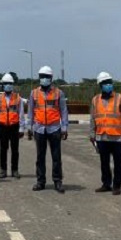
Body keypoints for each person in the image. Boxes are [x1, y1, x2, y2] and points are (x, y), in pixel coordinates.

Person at [27, 66, 69, 194]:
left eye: (46, 77)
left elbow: (63, 111)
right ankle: (41, 181)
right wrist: (29, 127)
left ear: (51, 78)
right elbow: (30, 112)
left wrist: (64, 128)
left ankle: (57, 181)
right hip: (39, 128)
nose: (44, 79)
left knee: (56, 156)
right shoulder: (34, 93)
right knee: (40, 157)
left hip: (54, 128)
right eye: (42, 76)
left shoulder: (58, 93)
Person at [90, 72, 121, 196]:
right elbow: (92, 118)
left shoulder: (120, 98)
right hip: (102, 136)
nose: (108, 85)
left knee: (118, 163)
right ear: (100, 85)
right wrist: (92, 133)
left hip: (117, 136)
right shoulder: (95, 100)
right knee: (104, 162)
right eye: (105, 83)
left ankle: (117, 186)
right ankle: (106, 184)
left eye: (110, 82)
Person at [0, 73, 25, 179]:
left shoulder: (18, 98)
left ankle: (15, 170)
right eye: (6, 83)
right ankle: (3, 170)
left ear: (13, 85)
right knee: (3, 149)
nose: (8, 85)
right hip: (2, 127)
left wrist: (21, 128)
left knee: (15, 150)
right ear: (3, 85)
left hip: (14, 127)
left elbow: (21, 114)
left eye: (10, 83)